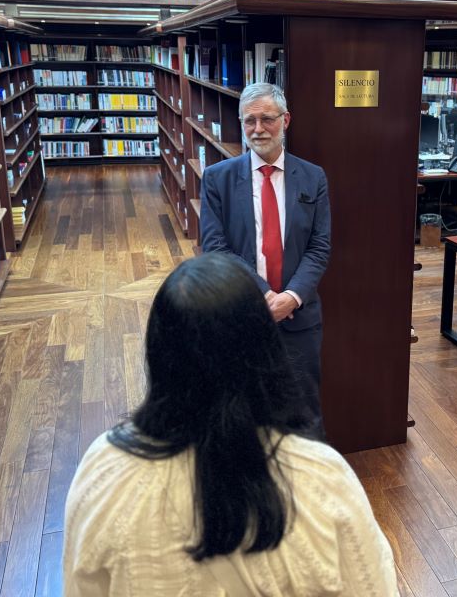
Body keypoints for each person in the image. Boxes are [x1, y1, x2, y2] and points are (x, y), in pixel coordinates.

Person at [63, 253, 397, 596]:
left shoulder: (102, 472)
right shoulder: (322, 479)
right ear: (267, 351)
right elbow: (373, 585)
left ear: (158, 352)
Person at [200, 82, 331, 428]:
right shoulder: (217, 179)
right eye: (249, 121)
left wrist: (291, 297)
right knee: (242, 412)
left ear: (285, 120)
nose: (258, 129)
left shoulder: (313, 177)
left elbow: (320, 246)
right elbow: (215, 248)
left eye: (267, 119)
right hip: (242, 314)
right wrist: (264, 294)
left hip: (298, 318)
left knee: (303, 414)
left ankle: (304, 482)